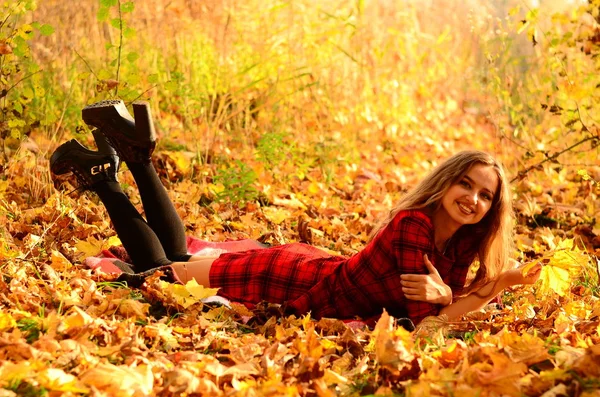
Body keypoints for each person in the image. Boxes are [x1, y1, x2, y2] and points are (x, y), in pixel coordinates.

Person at [50, 100, 542, 326]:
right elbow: (428, 326)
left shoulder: (460, 244)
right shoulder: (414, 226)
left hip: (313, 275)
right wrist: (484, 290)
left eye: (484, 196)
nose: (473, 200)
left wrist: (453, 293)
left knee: (173, 260)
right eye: (466, 184)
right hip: (288, 283)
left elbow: (442, 307)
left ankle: (135, 160)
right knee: (162, 273)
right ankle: (109, 178)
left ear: (492, 211)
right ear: (446, 183)